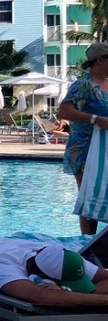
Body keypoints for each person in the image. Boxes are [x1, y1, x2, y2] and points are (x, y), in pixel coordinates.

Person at [58, 41, 108, 234]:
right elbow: (64, 110)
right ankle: (88, 242)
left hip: (105, 147)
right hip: (85, 148)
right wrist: (95, 119)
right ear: (100, 60)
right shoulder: (83, 85)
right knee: (89, 194)